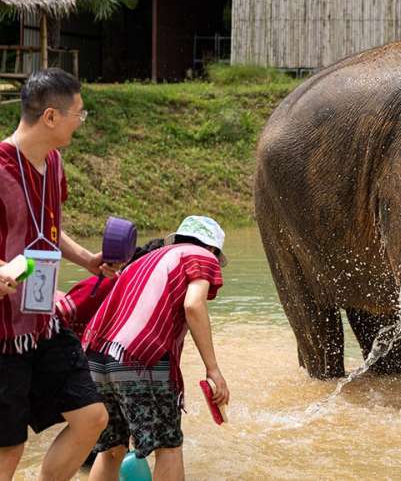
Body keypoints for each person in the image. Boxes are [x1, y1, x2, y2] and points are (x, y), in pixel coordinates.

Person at [0, 68, 114, 481]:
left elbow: (48, 228)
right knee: (9, 447)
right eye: (77, 114)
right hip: (4, 332)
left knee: (91, 417)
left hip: (43, 322)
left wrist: (85, 259)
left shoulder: (54, 163)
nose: (80, 122)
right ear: (50, 117)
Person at [84, 216, 230, 481]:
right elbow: (193, 305)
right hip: (138, 359)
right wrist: (213, 370)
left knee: (112, 450)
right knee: (169, 448)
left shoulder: (143, 260)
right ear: (213, 250)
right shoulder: (202, 256)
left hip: (97, 357)